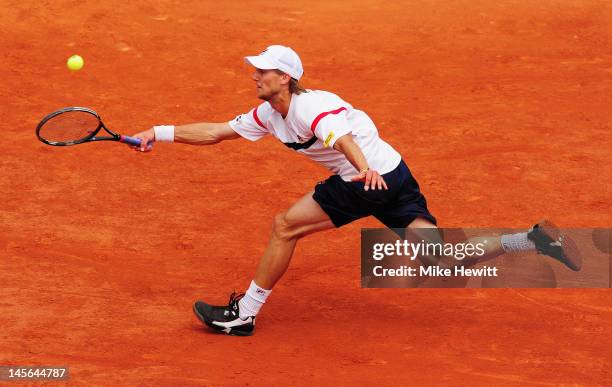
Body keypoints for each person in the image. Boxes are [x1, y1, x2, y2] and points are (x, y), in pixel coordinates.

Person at [131, 45, 581, 336]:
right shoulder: (269, 114)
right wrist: (158, 130)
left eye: (263, 70)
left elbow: (340, 139)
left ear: (285, 77)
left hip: (365, 180)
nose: (255, 75)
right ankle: (529, 239)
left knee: (284, 226)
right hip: (394, 177)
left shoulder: (312, 107)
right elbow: (215, 132)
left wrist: (363, 170)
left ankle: (244, 314)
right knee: (439, 257)